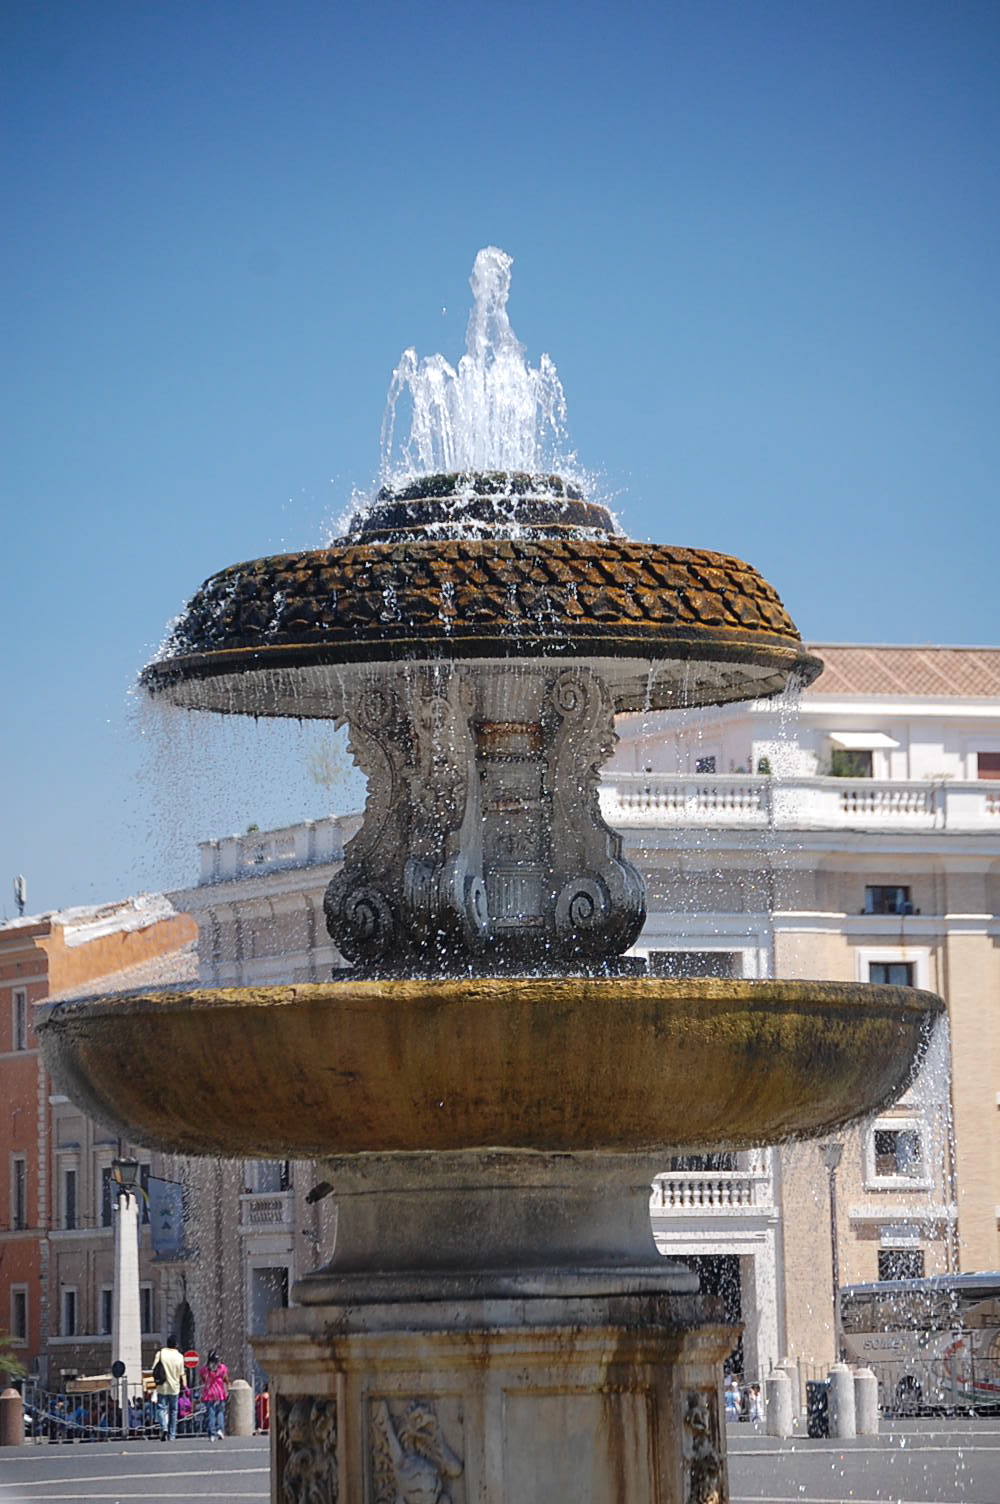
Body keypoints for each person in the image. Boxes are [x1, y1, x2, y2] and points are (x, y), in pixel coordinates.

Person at [152, 1334, 187, 1441]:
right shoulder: (180, 1356)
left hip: (162, 1385)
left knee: (161, 1408)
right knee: (173, 1411)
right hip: (174, 1387)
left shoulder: (161, 1353)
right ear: (176, 1344)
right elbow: (181, 1373)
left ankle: (164, 1427)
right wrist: (185, 1386)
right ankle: (172, 1435)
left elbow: (154, 1368)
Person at [197, 1349, 230, 1441]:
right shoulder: (222, 1368)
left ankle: (211, 1433)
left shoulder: (204, 1370)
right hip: (220, 1393)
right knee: (220, 1413)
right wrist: (227, 1388)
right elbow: (226, 1379)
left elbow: (202, 1381)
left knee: (211, 1414)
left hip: (209, 1393)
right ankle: (220, 1429)